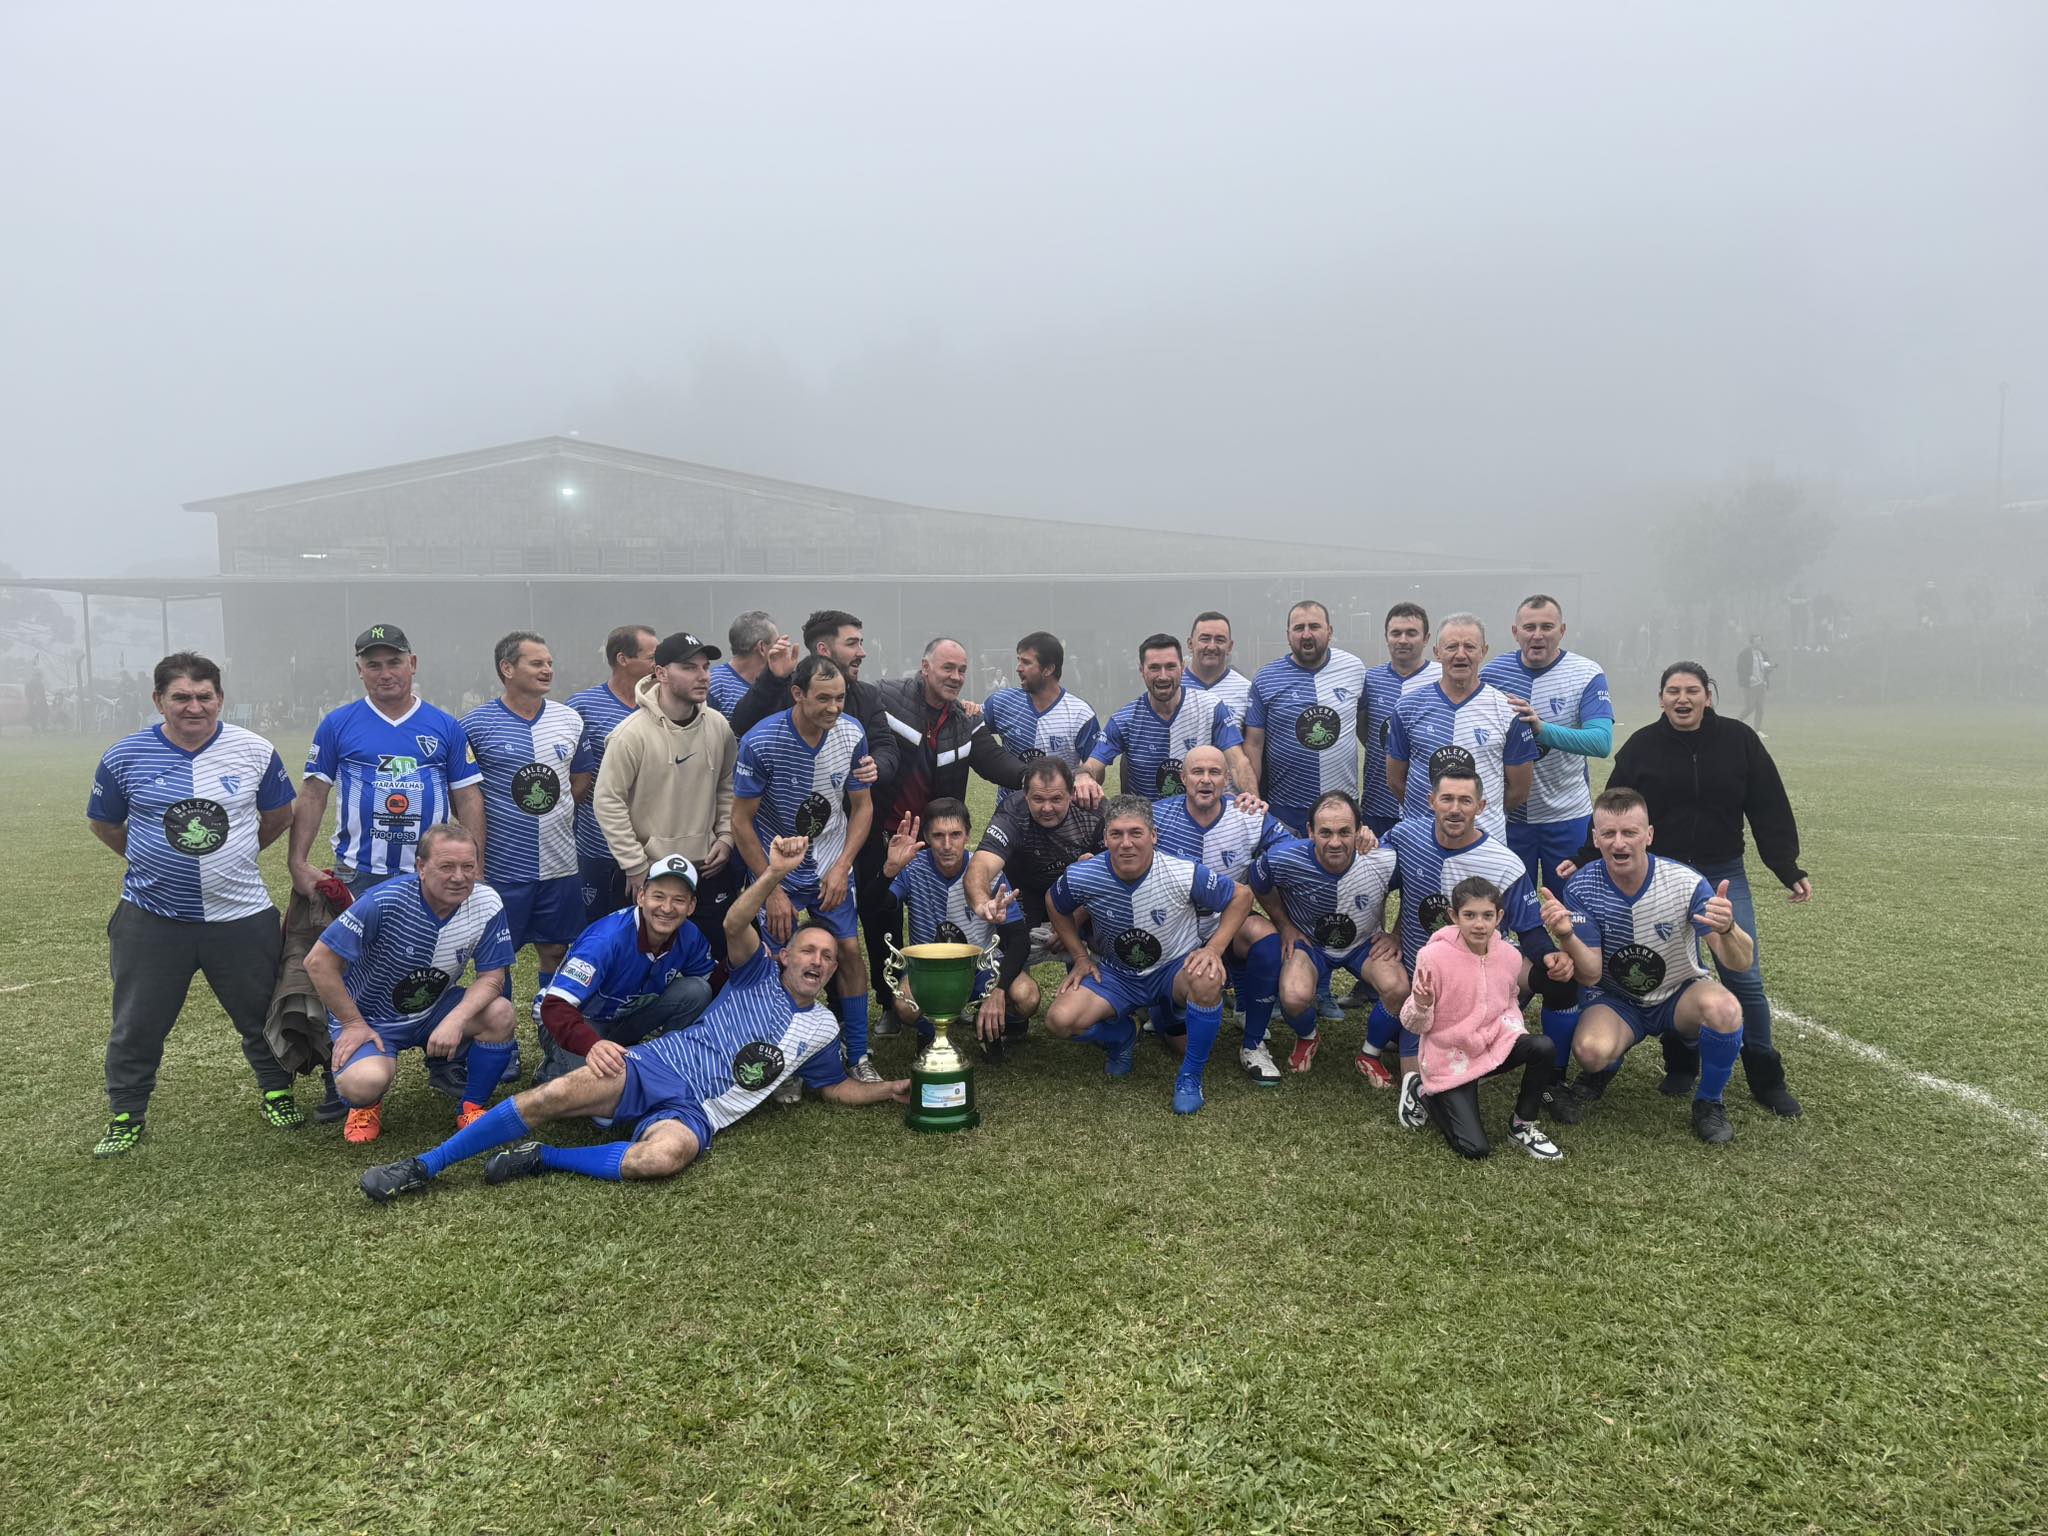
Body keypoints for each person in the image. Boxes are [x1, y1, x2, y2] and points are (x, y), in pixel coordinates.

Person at [356, 835, 911, 1202]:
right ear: (785, 954)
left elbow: (834, 1087)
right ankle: (423, 1167)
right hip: (652, 1064)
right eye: (808, 951)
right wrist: (775, 874)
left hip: (699, 1112)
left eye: (828, 957)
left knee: (662, 1159)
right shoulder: (755, 971)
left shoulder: (823, 1028)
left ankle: (544, 1157)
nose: (817, 960)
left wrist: (889, 1090)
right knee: (549, 1098)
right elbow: (740, 918)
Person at [1563, 662, 1807, 1118]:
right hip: (1660, 871)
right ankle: (1680, 1063)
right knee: (1662, 958)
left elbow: (1768, 802)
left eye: (1692, 690)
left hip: (1718, 872)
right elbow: (1615, 809)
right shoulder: (1643, 746)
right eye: (1672, 690)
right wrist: (1585, 855)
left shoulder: (1739, 741)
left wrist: (1785, 864)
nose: (1682, 698)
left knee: (1742, 974)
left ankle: (1765, 1075)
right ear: (1660, 699)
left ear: (1708, 695)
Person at [87, 652, 301, 1156]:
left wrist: (234, 857)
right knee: (138, 1021)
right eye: (181, 697)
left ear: (220, 699)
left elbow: (278, 816)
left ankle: (276, 1091)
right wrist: (152, 864)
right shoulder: (125, 756)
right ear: (159, 700)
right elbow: (105, 824)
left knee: (260, 1014)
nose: (194, 707)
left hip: (241, 914)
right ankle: (126, 1111)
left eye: (204, 696)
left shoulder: (255, 750)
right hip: (152, 917)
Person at [868, 637, 1074, 1027]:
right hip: (890, 832)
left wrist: (1038, 779)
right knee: (885, 921)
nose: (957, 677)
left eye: (962, 670)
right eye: (948, 668)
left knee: (947, 911)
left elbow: (993, 760)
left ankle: (969, 990)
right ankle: (891, 1003)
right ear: (925, 667)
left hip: (939, 830)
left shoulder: (965, 719)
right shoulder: (886, 697)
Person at [1546, 787, 1754, 1144]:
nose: (1619, 842)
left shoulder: (1685, 883)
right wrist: (1565, 935)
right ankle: (1606, 1067)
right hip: (1618, 999)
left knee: (1726, 1010)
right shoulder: (1582, 886)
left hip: (1679, 993)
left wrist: (1729, 928)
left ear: (1649, 835)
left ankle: (1709, 1103)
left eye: (1629, 832)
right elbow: (1592, 973)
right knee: (1591, 1052)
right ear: (1595, 839)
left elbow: (1739, 961)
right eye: (1608, 833)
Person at [304, 823, 520, 1144]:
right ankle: (366, 1105)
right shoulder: (384, 900)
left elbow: (492, 978)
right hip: (372, 1018)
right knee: (363, 1083)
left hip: (434, 1009)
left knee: (501, 1013)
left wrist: (455, 1020)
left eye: (468, 866)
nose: (459, 876)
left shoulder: (486, 902)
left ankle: (472, 1107)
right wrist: (352, 1023)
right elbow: (317, 962)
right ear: (421, 867)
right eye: (446, 866)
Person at [1043, 795, 1253, 1114]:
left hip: (1173, 971)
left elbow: (1242, 896)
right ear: (1105, 838)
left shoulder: (1183, 871)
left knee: (1208, 979)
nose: (1126, 843)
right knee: (1060, 1021)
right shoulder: (1085, 875)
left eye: (1136, 833)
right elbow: (1054, 902)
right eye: (1116, 834)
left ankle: (1190, 1077)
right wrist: (1081, 956)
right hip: (1117, 975)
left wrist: (1213, 949)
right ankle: (1123, 1035)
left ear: (1153, 835)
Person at [1480, 594, 1613, 1080]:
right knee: (1498, 922)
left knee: (1564, 927)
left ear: (1563, 630)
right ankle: (1490, 1027)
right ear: (1514, 632)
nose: (1537, 635)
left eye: (1547, 626)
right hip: (1508, 819)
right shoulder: (1492, 671)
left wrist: (1543, 728)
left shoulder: (1584, 672)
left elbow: (1601, 742)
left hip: (1565, 817)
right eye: (1529, 627)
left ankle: (1557, 1052)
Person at [731, 655, 879, 1079]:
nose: (834, 707)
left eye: (840, 698)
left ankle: (859, 1053)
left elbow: (862, 807)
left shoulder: (852, 734)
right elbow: (740, 821)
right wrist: (771, 886)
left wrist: (842, 866)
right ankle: (783, 1058)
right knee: (777, 957)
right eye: (823, 699)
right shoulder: (761, 742)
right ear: (797, 694)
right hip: (777, 869)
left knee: (849, 951)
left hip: (830, 865)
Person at [1383, 766, 1554, 1129]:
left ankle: (1546, 1068)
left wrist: (1554, 956)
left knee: (1552, 975)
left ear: (1482, 806)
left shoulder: (1503, 862)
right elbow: (1369, 879)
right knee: (1420, 1083)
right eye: (1447, 799)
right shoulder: (1405, 837)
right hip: (1423, 981)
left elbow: (1530, 930)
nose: (1455, 808)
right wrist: (1387, 933)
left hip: (1476, 981)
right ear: (1431, 802)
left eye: (1465, 800)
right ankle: (1428, 1068)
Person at [288, 623, 482, 901]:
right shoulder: (337, 724)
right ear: (360, 670)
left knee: (430, 944)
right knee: (358, 945)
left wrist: (475, 865)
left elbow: (468, 798)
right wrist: (297, 863)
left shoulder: (446, 726)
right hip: (357, 871)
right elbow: (313, 794)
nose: (386, 674)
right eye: (374, 665)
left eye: (394, 663)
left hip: (431, 869)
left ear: (412, 664)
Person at [590, 631, 739, 962]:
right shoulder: (630, 735)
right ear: (660, 673)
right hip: (650, 870)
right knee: (639, 963)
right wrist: (633, 863)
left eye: (705, 667)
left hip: (707, 868)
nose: (702, 675)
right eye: (689, 667)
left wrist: (726, 836)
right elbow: (607, 801)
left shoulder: (718, 726)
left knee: (713, 962)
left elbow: (727, 785)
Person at [460, 632, 584, 1030]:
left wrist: (556, 812)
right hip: (501, 869)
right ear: (507, 669)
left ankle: (552, 1031)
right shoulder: (474, 726)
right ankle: (503, 1036)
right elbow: (465, 794)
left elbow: (580, 779)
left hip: (561, 863)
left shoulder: (569, 719)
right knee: (497, 958)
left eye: (549, 662)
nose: (547, 669)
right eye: (536, 663)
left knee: (556, 949)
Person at [1400, 876, 1563, 1161]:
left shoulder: (1510, 956)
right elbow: (1413, 1023)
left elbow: (1509, 1001)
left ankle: (1522, 1126)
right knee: (1475, 1149)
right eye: (1470, 915)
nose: (1479, 924)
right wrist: (1422, 1004)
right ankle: (1422, 1090)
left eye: (1487, 916)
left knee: (1542, 1046)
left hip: (1492, 1044)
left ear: (1499, 917)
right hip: (1451, 1056)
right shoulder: (1432, 957)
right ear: (1453, 916)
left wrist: (1514, 1032)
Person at [1154, 746, 1289, 1084]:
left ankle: (1254, 1043)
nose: (1205, 779)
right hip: (1173, 931)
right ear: (1182, 778)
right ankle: (1158, 1007)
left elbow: (1294, 852)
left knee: (1266, 939)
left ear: (1227, 779)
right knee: (1183, 1043)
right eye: (1197, 772)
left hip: (1227, 924)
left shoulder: (1248, 815)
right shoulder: (1156, 816)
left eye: (1214, 772)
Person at [1252, 790, 1406, 1077]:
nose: (1335, 842)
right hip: (1311, 944)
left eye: (1345, 832)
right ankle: (1308, 1036)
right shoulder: (1283, 858)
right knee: (1294, 996)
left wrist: (1396, 934)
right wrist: (1284, 924)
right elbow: (1259, 882)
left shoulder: (1382, 858)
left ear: (1360, 831)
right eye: (1325, 832)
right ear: (1310, 831)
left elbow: (1412, 889)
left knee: (1398, 988)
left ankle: (1370, 1054)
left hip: (1363, 944)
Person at [536, 854, 715, 1083]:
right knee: (610, 1094)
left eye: (679, 900)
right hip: (575, 1021)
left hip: (625, 1018)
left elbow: (711, 983)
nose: (667, 908)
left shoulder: (689, 935)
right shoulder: (605, 940)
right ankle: (556, 1071)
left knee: (696, 990)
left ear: (691, 906)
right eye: (658, 896)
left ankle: (670, 1058)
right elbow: (554, 1007)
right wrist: (593, 1045)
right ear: (641, 896)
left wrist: (744, 963)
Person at [881, 799, 1039, 1060]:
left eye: (955, 835)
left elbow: (1019, 939)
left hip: (982, 965)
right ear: (926, 837)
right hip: (930, 967)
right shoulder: (912, 867)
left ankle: (994, 1026)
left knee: (1027, 996)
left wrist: (998, 990)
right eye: (938, 836)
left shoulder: (987, 869)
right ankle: (929, 1032)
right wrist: (887, 873)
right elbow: (881, 909)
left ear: (968, 835)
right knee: (904, 1005)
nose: (946, 845)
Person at [1385, 612, 1535, 841]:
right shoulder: (1407, 707)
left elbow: (1519, 790)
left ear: (1484, 651)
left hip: (1485, 841)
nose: (1460, 655)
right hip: (1423, 839)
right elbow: (1396, 781)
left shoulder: (1508, 710)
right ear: (1437, 653)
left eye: (1470, 647)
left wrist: (1474, 813)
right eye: (1451, 647)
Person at [1243, 600, 1369, 833]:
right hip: (1286, 809)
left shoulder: (1354, 668)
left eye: (1315, 626)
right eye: (1299, 628)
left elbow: (1364, 727)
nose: (1307, 634)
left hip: (1342, 806)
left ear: (1330, 631)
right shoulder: (1266, 678)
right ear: (1288, 634)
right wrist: (1255, 799)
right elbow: (1253, 744)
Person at [966, 755, 1107, 951]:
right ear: (1025, 795)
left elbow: (1111, 878)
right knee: (1014, 949)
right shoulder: (1013, 812)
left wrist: (1073, 920)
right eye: (1038, 799)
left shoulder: (1094, 809)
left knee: (1101, 946)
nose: (1047, 808)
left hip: (1079, 893)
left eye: (1056, 799)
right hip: (1025, 889)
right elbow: (980, 866)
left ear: (1071, 793)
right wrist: (982, 903)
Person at [566, 624, 658, 924]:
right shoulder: (582, 707)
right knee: (598, 929)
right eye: (652, 657)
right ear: (623, 659)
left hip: (654, 844)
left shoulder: (664, 705)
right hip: (599, 846)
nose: (659, 664)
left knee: (648, 926)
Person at [1084, 634, 1248, 799]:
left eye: (1170, 667)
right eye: (1154, 668)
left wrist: (1252, 799)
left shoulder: (1211, 708)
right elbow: (1094, 763)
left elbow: (1238, 763)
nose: (1163, 676)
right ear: (1141, 670)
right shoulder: (1125, 719)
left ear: (1182, 667)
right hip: (1147, 820)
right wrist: (1084, 777)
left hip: (1200, 819)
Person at [980, 631, 1100, 807]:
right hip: (1011, 815)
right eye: (1018, 660)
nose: (1018, 668)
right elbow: (974, 735)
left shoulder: (1080, 713)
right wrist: (969, 711)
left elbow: (1096, 766)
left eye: (1026, 662)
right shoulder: (1001, 703)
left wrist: (1086, 775)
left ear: (1048, 669)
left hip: (1058, 813)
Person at [1357, 603, 1439, 839]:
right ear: (1386, 637)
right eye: (1396, 633)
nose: (1403, 640)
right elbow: (1366, 731)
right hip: (1378, 805)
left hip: (1427, 806)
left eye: (1411, 633)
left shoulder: (1442, 678)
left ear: (1426, 638)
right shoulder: (1369, 680)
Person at [1182, 610, 1253, 729]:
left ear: (1230, 646)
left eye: (1220, 640)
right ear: (1190, 644)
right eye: (1205, 639)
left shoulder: (1246, 690)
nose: (1211, 647)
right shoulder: (1173, 686)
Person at [710, 610, 779, 718]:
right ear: (762, 647)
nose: (783, 648)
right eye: (777, 643)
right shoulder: (714, 684)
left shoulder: (778, 684)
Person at [1733, 636, 1772, 735]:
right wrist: (1749, 677)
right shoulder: (1745, 654)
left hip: (1761, 684)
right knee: (1750, 707)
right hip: (1750, 685)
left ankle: (1758, 730)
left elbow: (1766, 668)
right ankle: (1736, 724)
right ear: (1752, 642)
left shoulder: (1763, 654)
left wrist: (1769, 669)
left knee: (1760, 708)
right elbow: (1740, 668)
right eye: (1757, 641)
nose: (1759, 643)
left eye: (1760, 641)